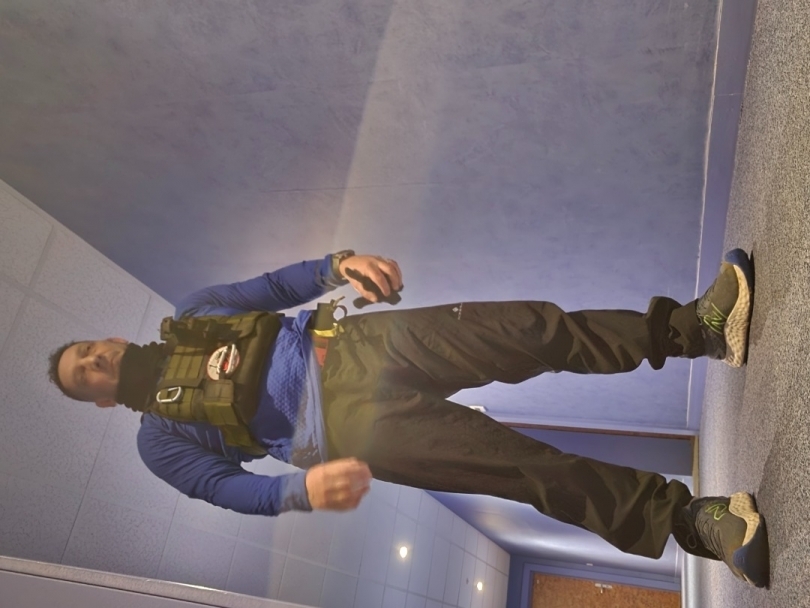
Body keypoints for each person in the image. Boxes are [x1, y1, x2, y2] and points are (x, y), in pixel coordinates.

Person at [49, 249, 769, 588]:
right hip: (347, 432)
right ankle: (693, 523)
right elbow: (224, 489)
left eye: (87, 352)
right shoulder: (158, 441)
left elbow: (268, 288)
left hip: (355, 343)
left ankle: (694, 330)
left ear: (107, 340)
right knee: (525, 469)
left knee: (530, 330)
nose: (95, 363)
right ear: (102, 399)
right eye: (85, 377)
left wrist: (337, 265)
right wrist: (297, 492)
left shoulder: (194, 312)